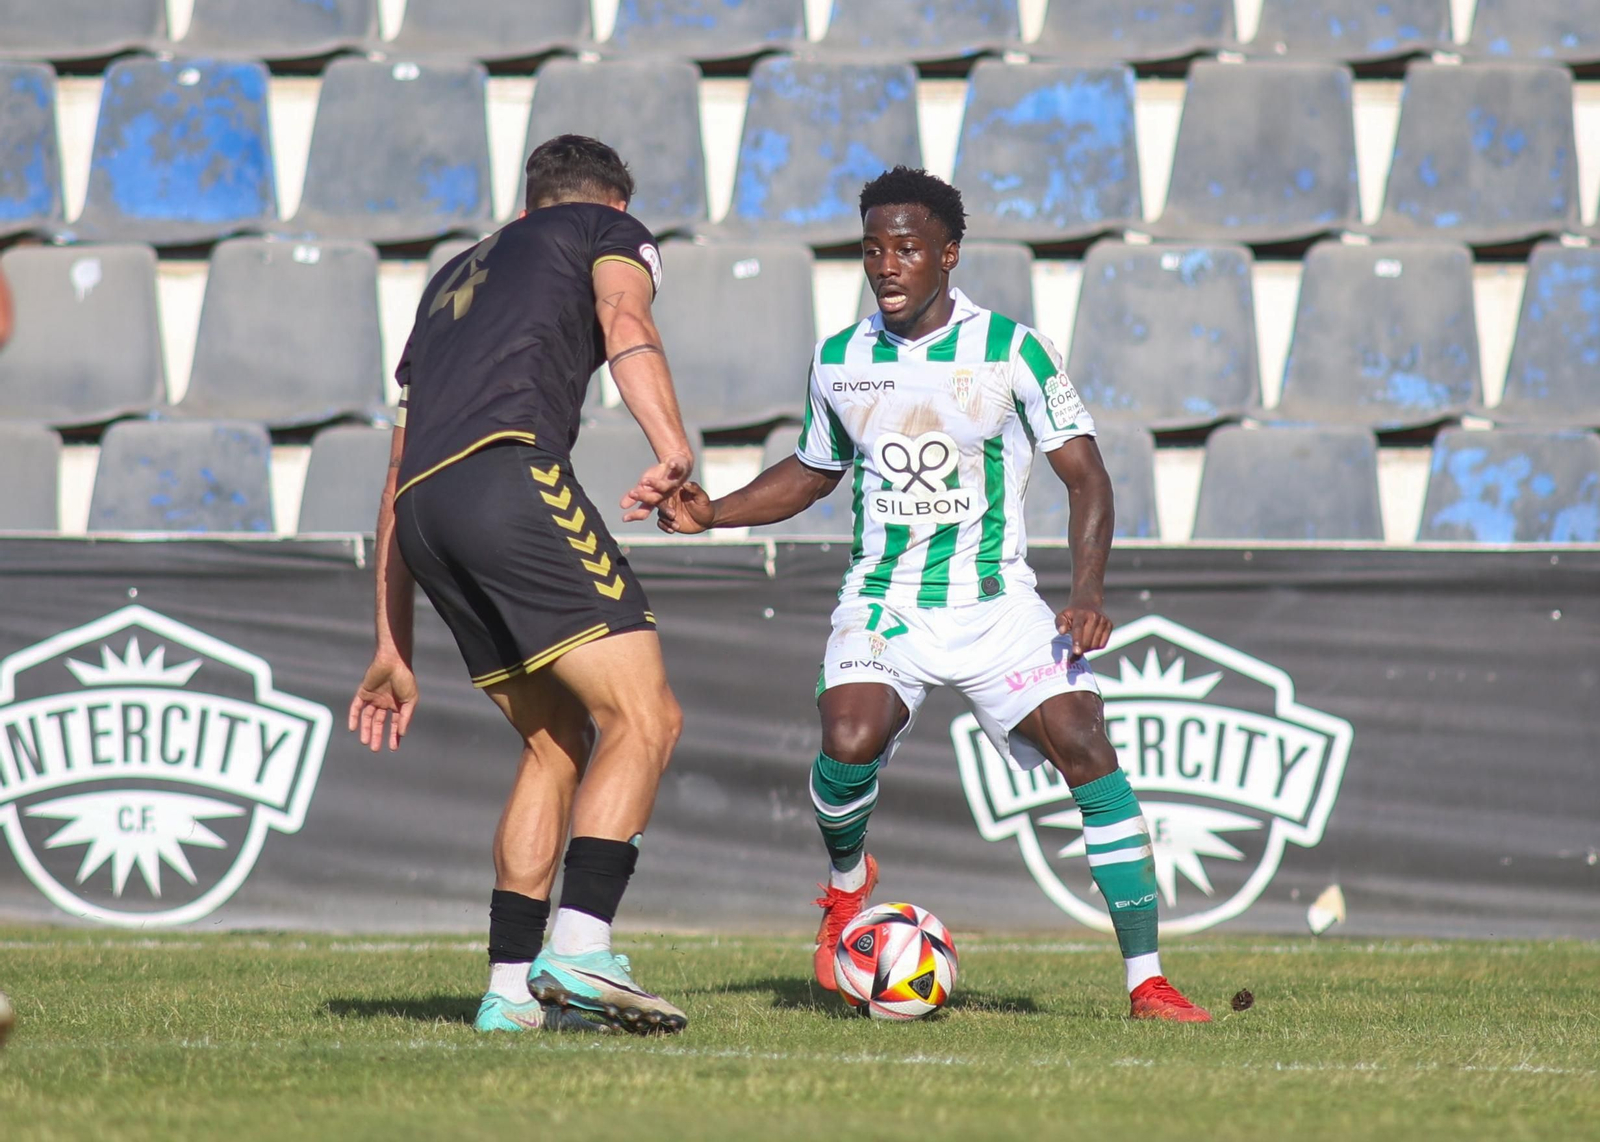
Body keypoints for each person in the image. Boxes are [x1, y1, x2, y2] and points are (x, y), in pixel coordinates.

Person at [659, 166, 1212, 1022]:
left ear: (948, 255)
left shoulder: (1015, 350)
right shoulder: (839, 359)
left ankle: (1148, 981)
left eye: (908, 248)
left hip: (997, 606)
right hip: (888, 602)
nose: (887, 265)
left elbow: (1086, 475)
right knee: (848, 736)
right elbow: (814, 471)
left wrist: (1088, 592)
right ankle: (849, 887)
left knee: (1084, 741)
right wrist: (715, 513)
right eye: (874, 249)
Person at [349, 135, 695, 1036]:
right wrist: (672, 446)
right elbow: (627, 322)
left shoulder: (448, 284)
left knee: (556, 741)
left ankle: (509, 996)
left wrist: (391, 641)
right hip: (509, 477)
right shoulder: (604, 230)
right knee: (645, 717)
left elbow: (396, 472)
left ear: (523, 206)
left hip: (427, 512)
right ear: (610, 206)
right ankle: (579, 949)